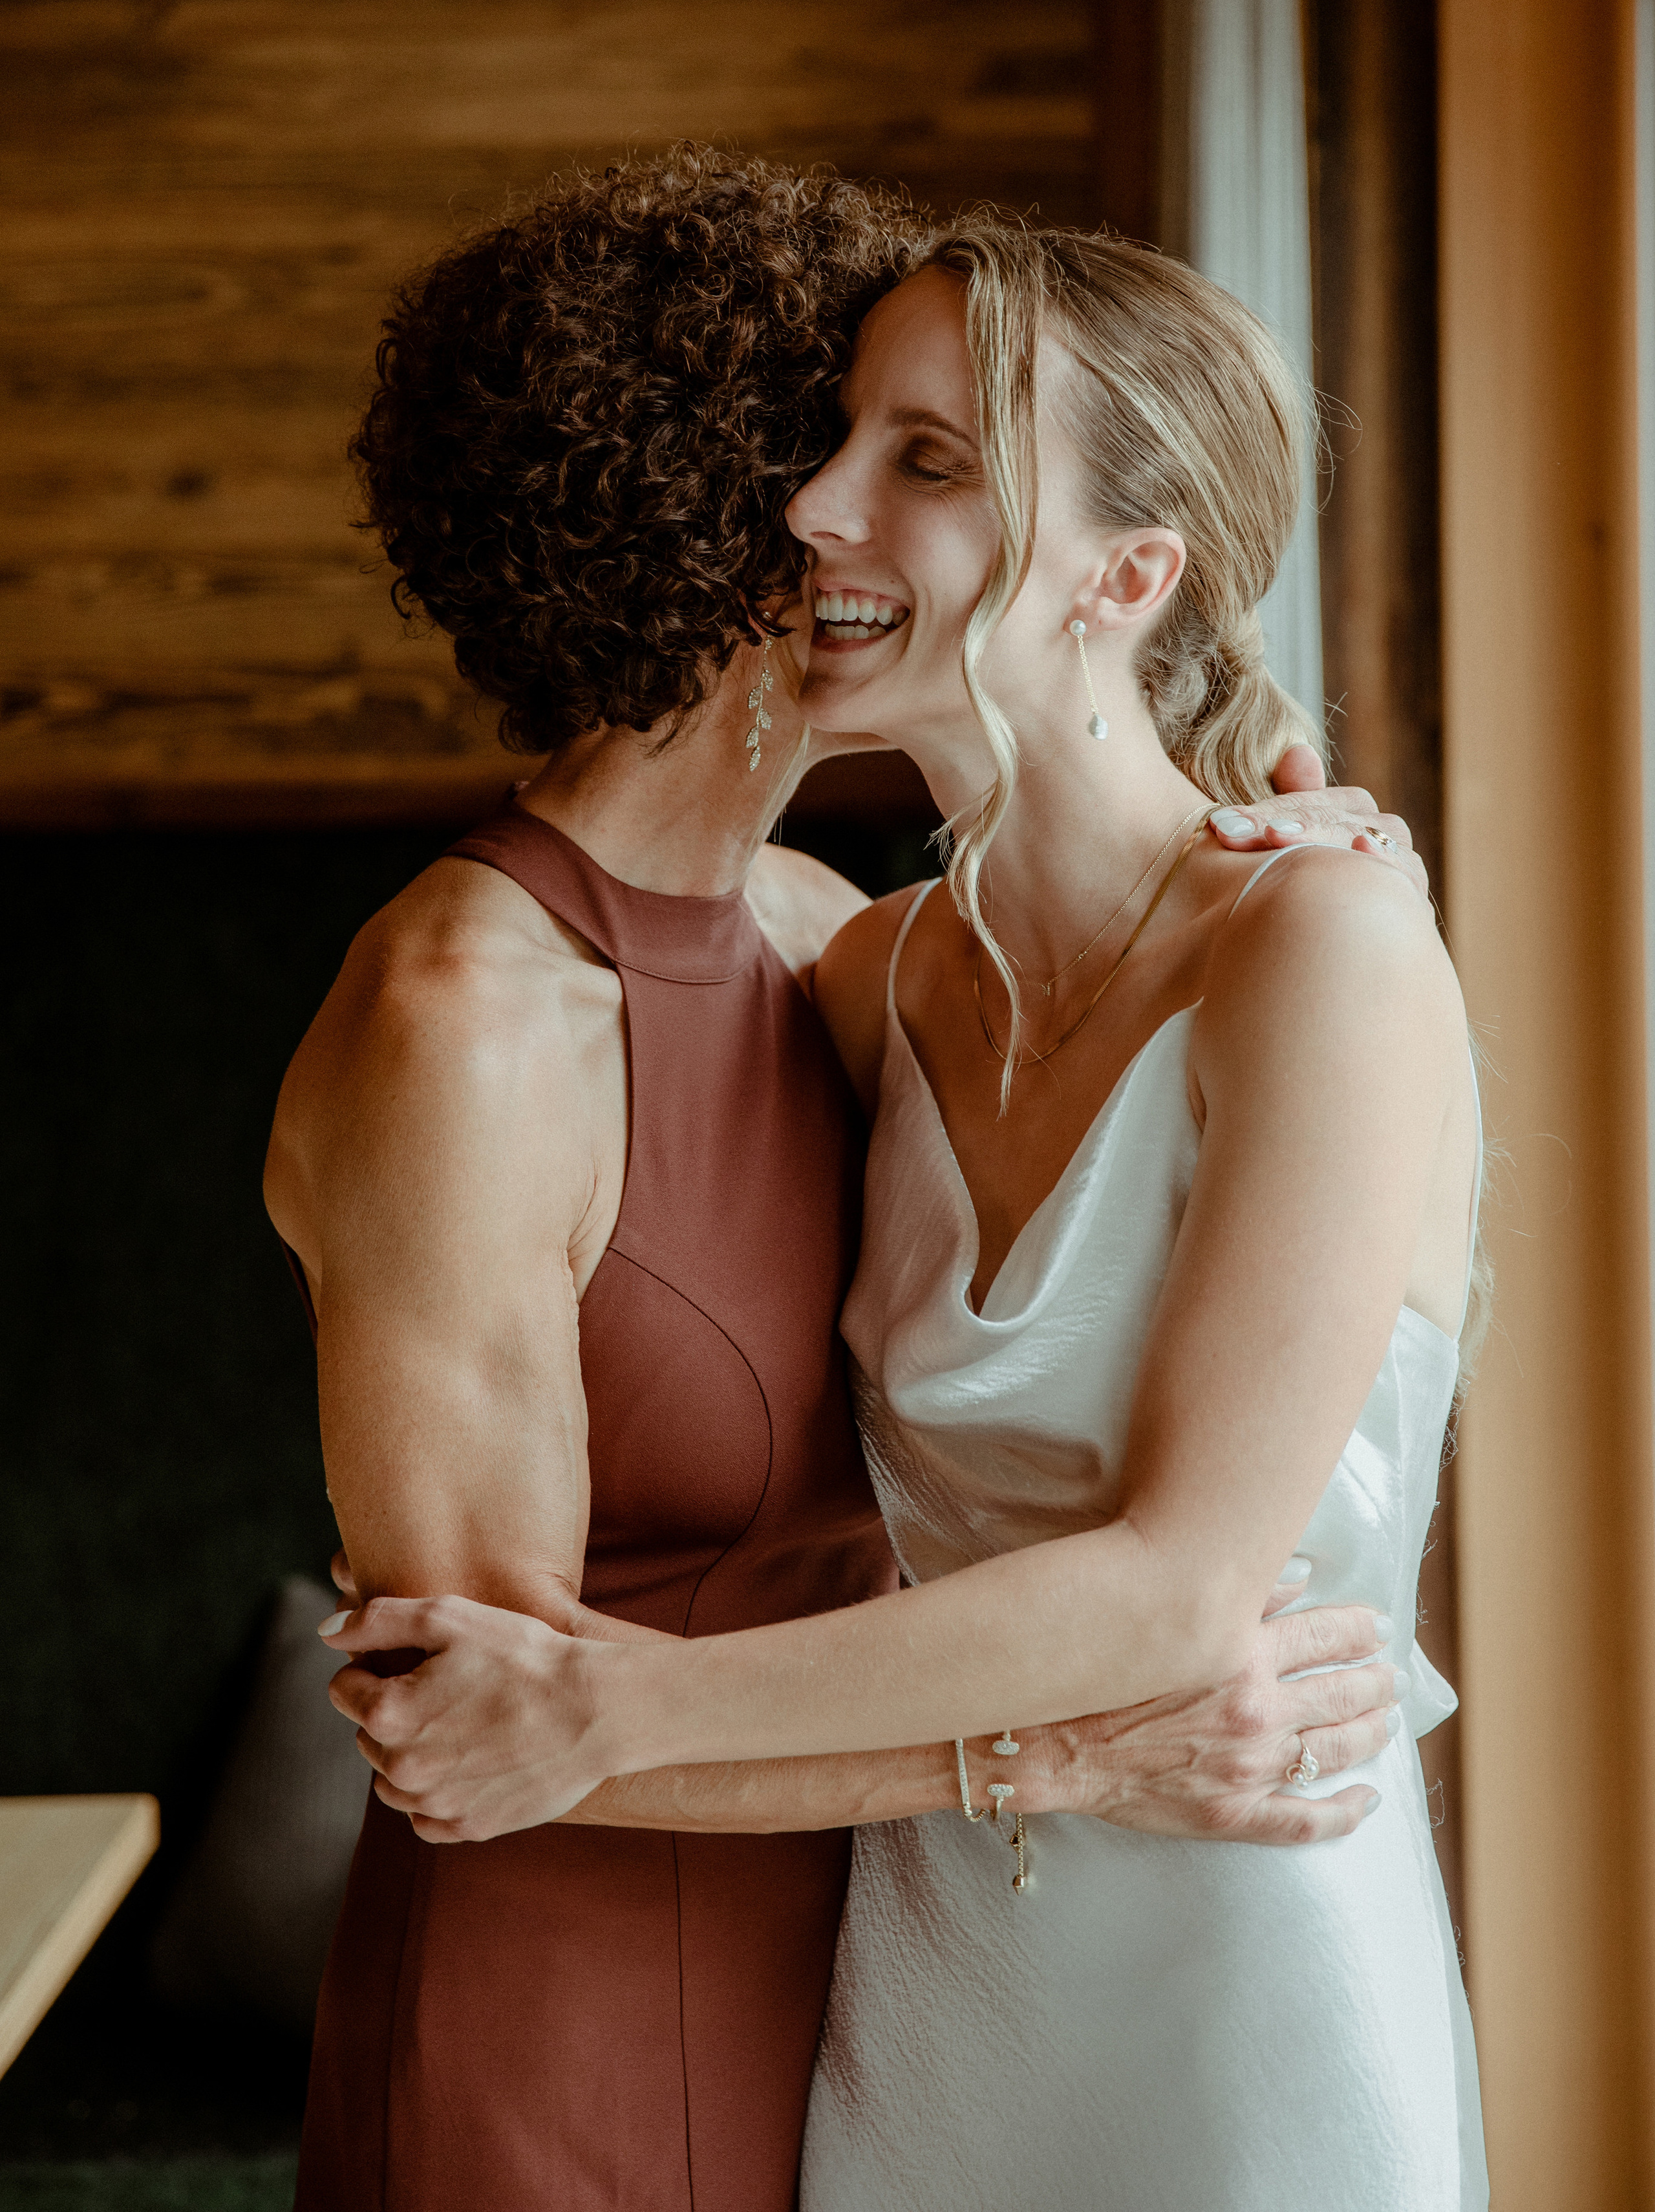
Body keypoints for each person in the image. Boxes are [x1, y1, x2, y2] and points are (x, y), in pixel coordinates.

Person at [278, 150, 1427, 2212]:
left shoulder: (838, 941)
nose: (823, 514)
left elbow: (1180, 1483)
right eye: (808, 454)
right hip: (639, 1982)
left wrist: (1352, 898)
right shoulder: (573, 1006)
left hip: (1007, 1963)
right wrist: (1065, 1762)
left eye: (909, 458)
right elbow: (485, 1727)